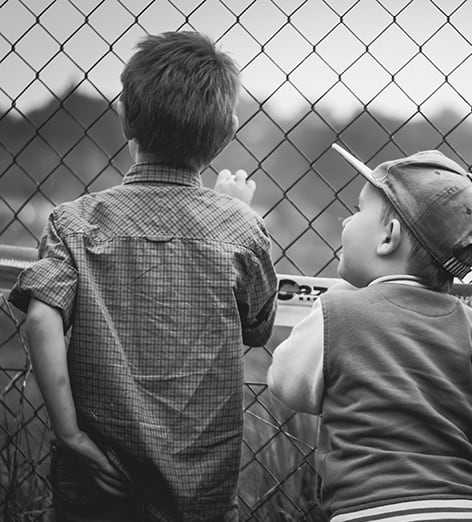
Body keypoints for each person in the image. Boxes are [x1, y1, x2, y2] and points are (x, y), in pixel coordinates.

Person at [10, 31, 278, 521]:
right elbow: (257, 327)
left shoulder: (76, 221)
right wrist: (236, 214)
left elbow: (41, 317)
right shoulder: (241, 228)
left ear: (125, 118)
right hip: (198, 484)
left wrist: (70, 435)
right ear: (228, 130)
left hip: (96, 474)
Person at [267, 148, 472, 521]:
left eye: (359, 210)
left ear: (388, 237)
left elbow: (287, 384)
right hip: (464, 510)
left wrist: (338, 296)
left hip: (368, 509)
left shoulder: (338, 312)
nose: (347, 221)